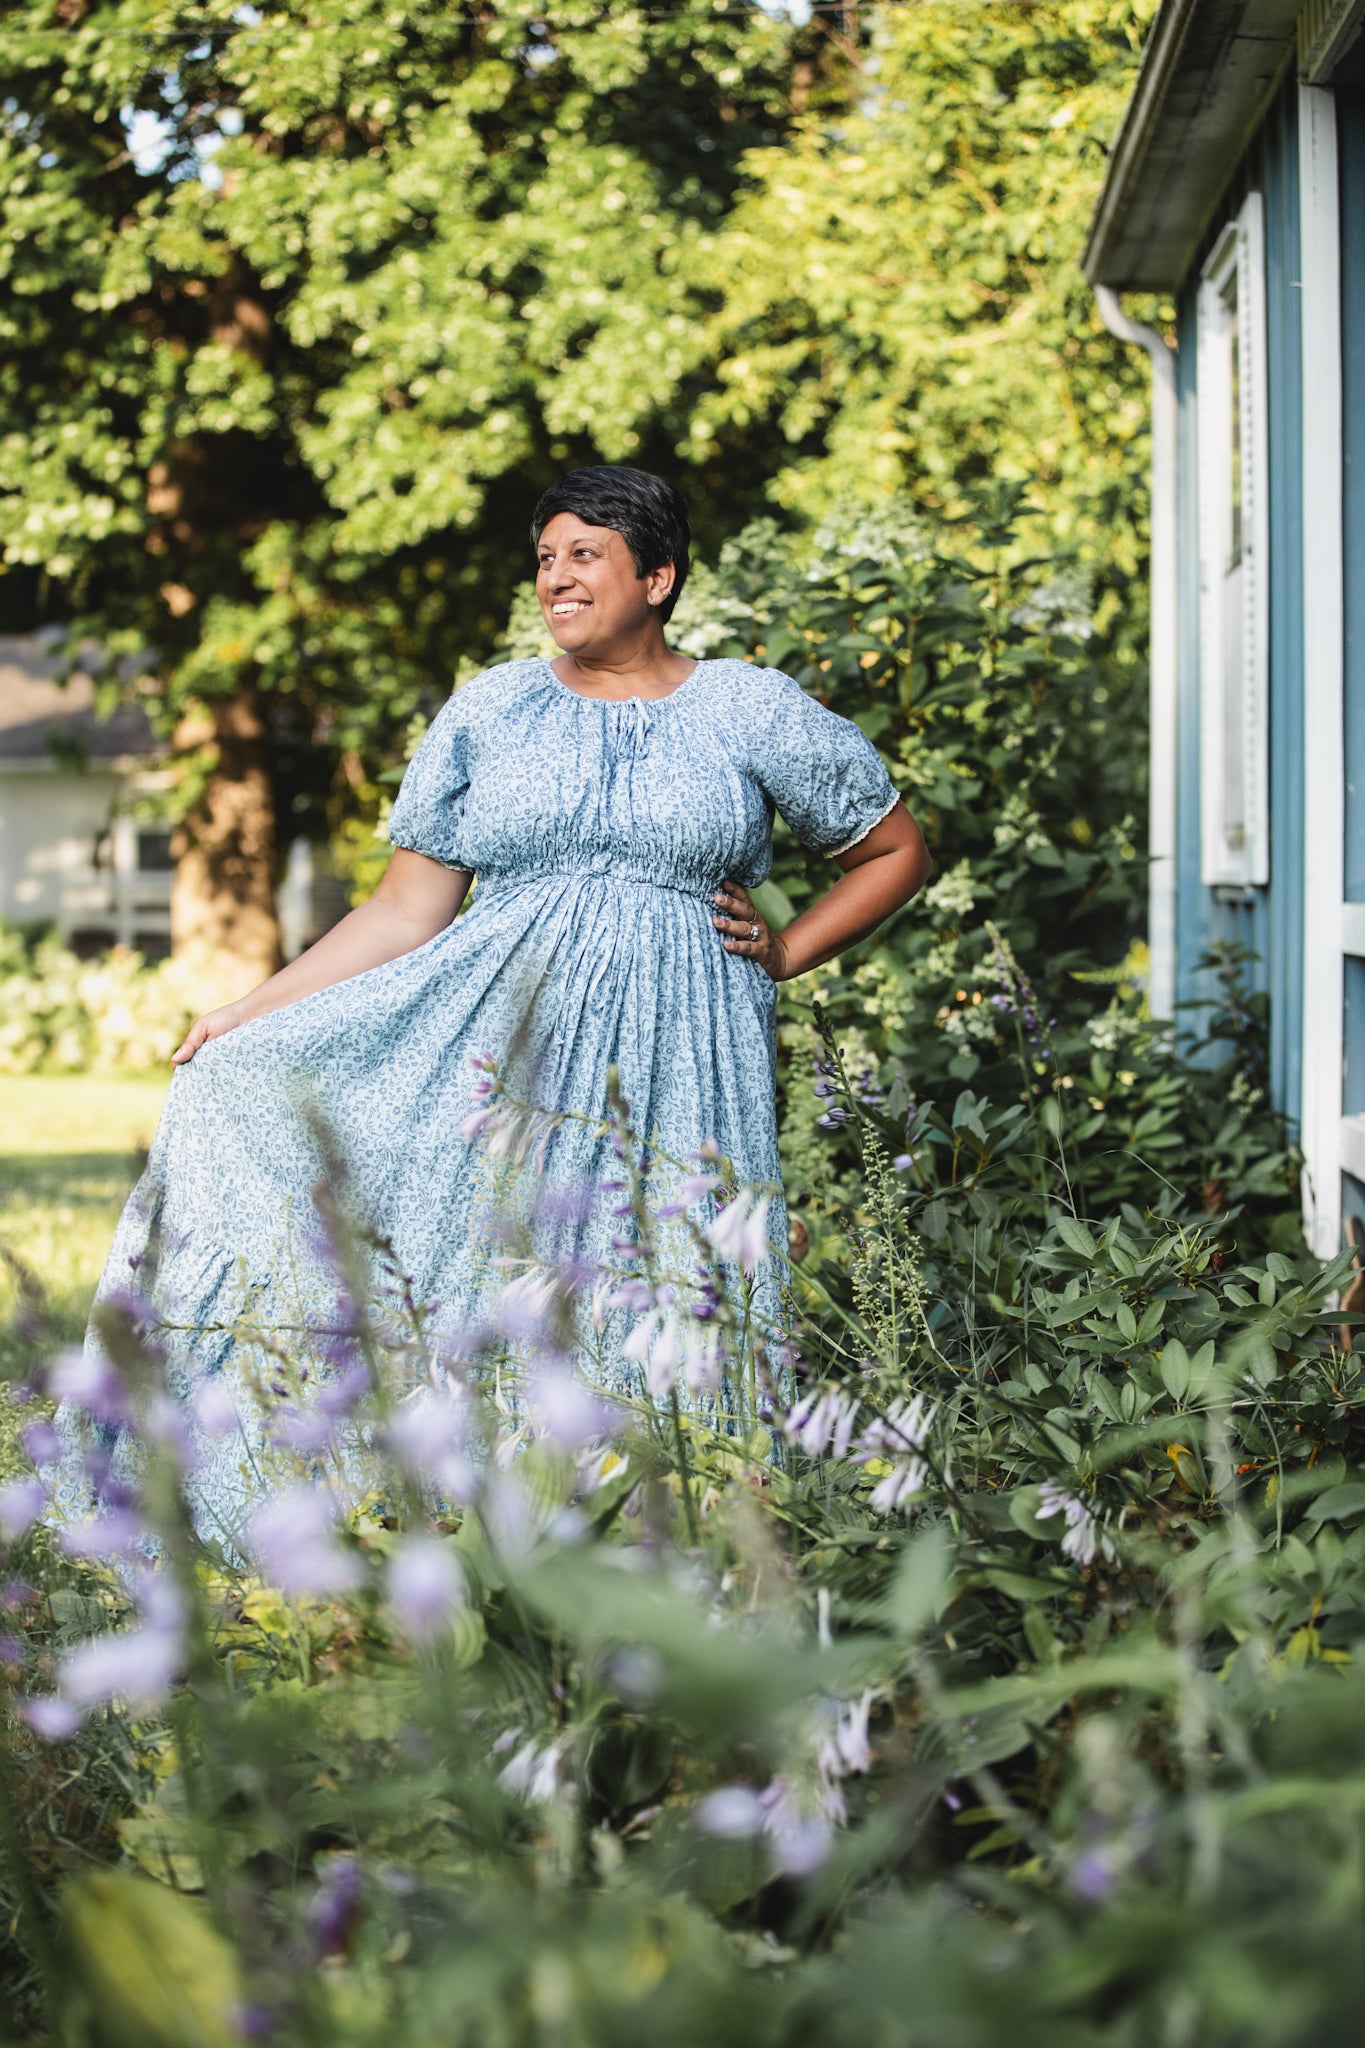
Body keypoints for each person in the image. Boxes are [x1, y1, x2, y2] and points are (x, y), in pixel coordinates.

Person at [69, 465, 930, 1537]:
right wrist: (250, 1012)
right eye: (545, 558)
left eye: (585, 554)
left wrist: (790, 947)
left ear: (658, 577)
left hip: (682, 1042)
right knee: (482, 1254)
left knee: (662, 1263)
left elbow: (896, 849)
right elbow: (401, 910)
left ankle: (685, 1528)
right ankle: (447, 1517)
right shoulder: (492, 710)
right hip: (500, 1036)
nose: (556, 578)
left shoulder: (750, 707)